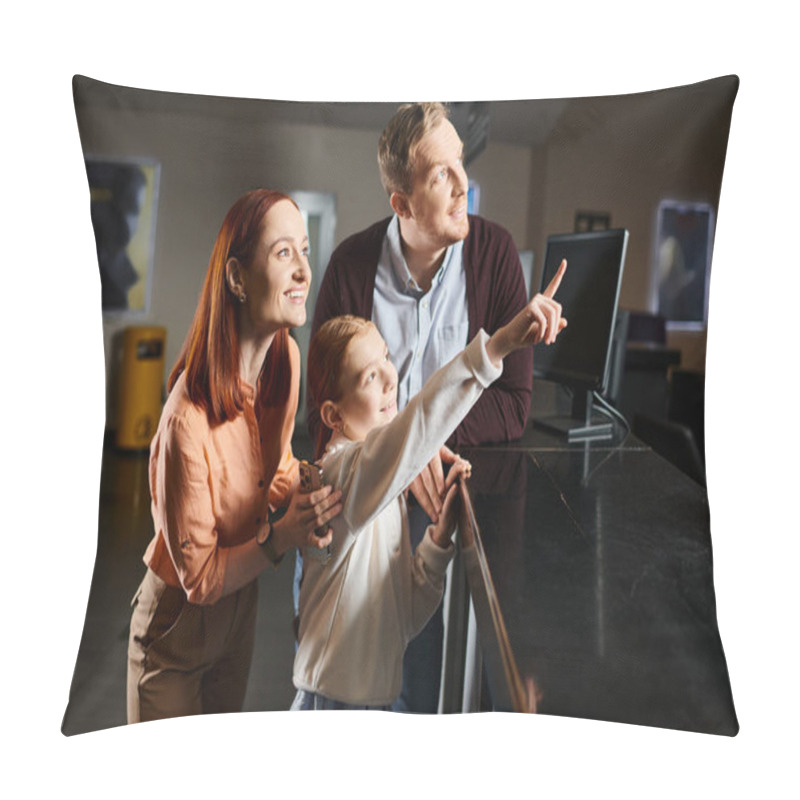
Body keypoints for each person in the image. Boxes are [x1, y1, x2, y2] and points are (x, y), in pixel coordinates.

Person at [306, 102, 534, 712]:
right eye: (441, 174)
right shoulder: (350, 267)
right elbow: (321, 415)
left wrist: (424, 449)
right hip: (356, 512)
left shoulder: (495, 254)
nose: (464, 183)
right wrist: (397, 460)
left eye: (461, 163)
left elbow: (513, 404)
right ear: (401, 203)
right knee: (335, 678)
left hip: (434, 508)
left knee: (415, 689)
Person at [292, 262, 565, 710]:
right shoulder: (341, 478)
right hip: (334, 708)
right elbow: (417, 423)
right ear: (333, 416)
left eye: (385, 359)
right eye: (369, 377)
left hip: (372, 703)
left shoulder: (378, 490)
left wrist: (439, 537)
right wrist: (497, 347)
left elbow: (402, 614)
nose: (390, 379)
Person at [127, 189, 342, 723]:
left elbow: (275, 468)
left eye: (305, 250)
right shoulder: (187, 422)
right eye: (282, 253)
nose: (302, 271)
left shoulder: (285, 360)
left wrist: (310, 486)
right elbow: (199, 579)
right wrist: (283, 538)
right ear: (238, 278)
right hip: (175, 629)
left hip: (239, 614)